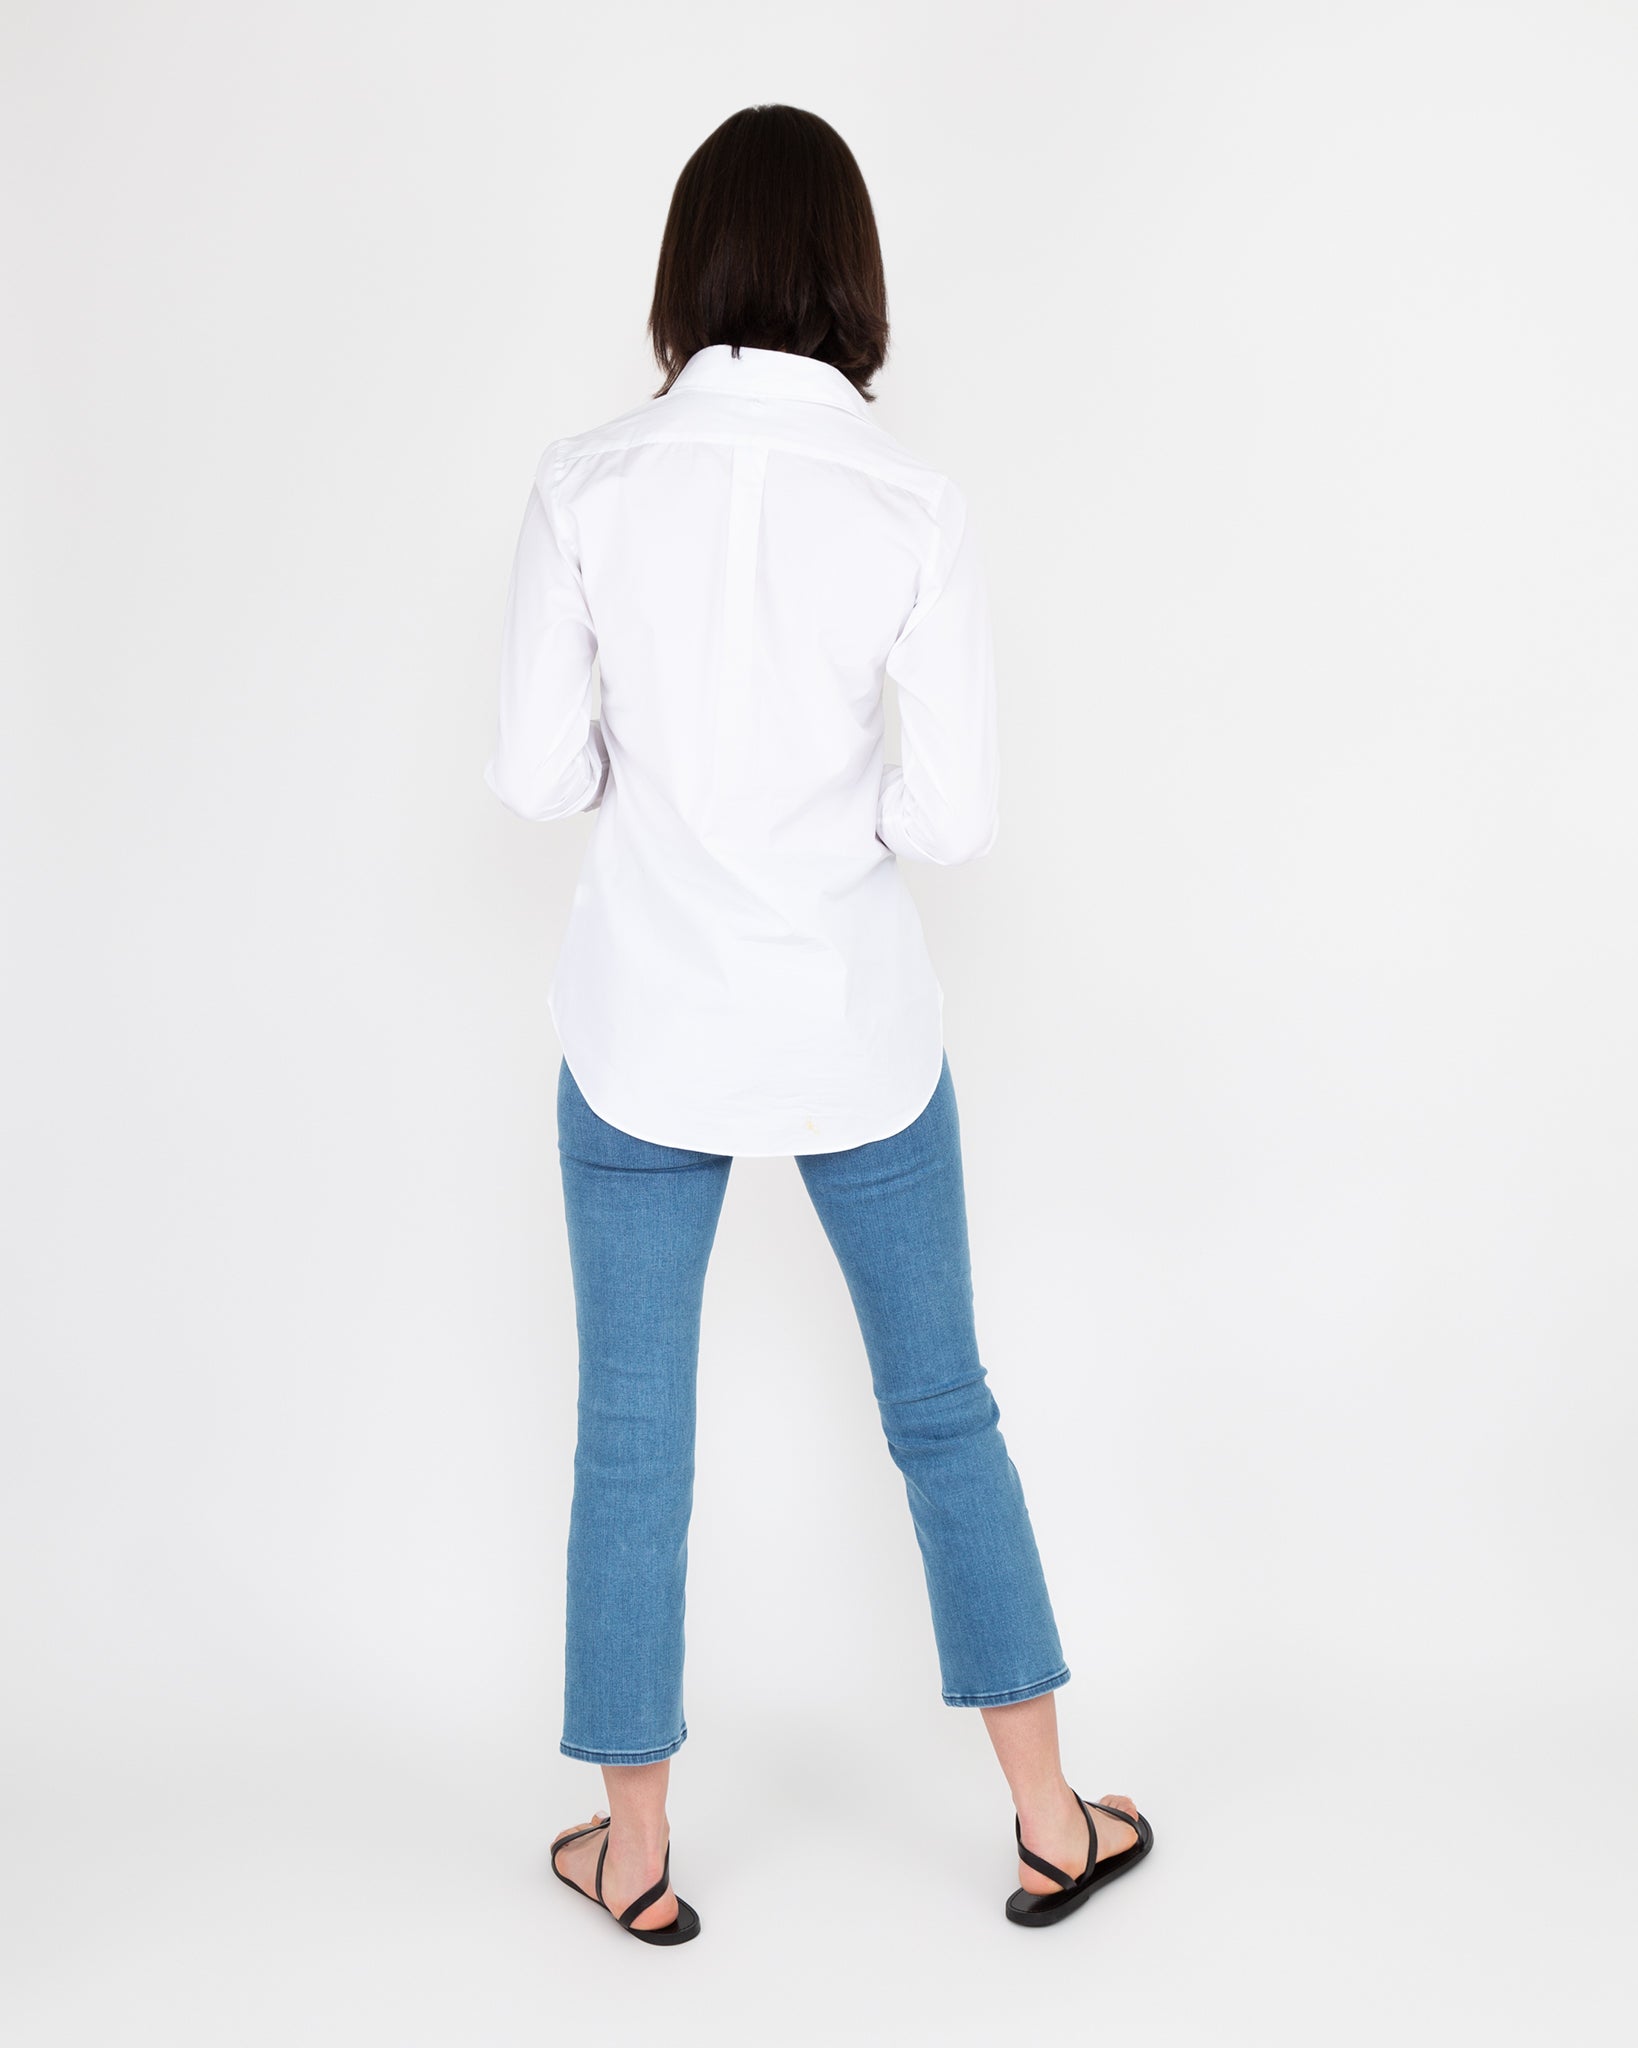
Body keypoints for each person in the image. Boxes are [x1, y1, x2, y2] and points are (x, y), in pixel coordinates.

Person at [486, 103, 1151, 1944]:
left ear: (685, 273)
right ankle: (1045, 1818)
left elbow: (537, 775)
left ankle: (631, 1853)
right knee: (943, 1410)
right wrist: (807, 817)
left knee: (631, 1440)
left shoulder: (585, 480)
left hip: (641, 1021)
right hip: (851, 1022)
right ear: (852, 278)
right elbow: (949, 822)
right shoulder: (910, 502)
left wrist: (679, 791)